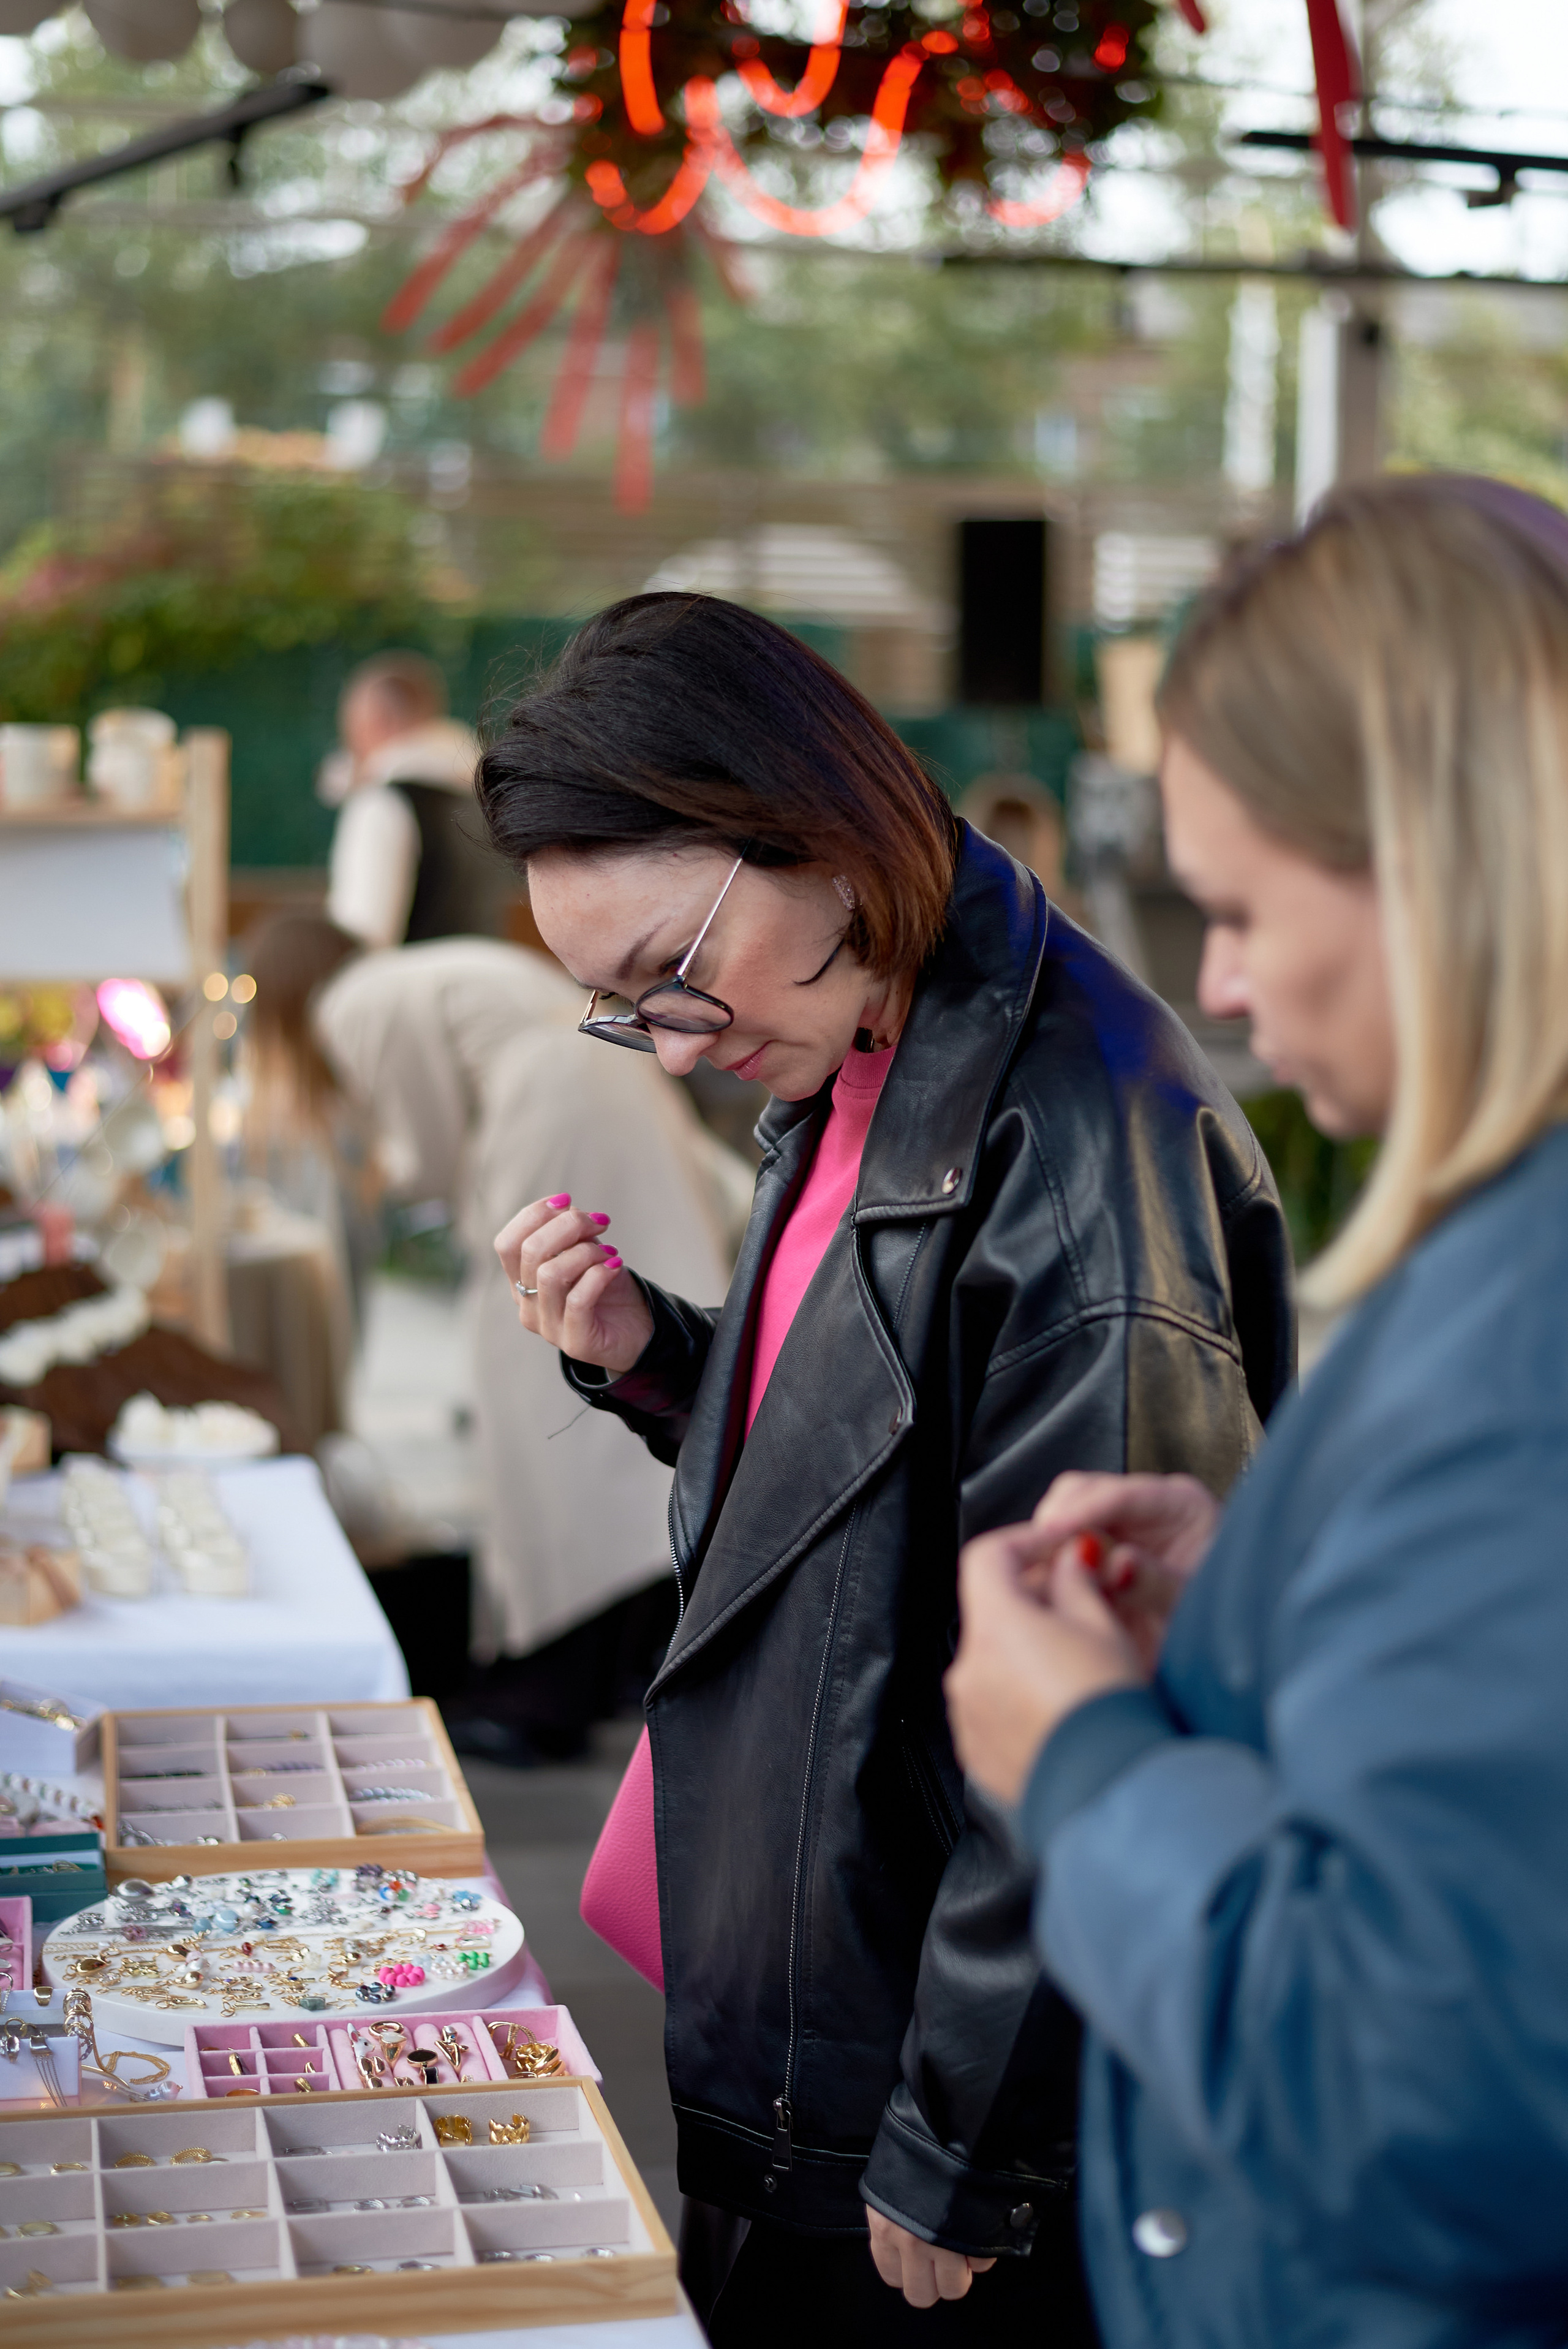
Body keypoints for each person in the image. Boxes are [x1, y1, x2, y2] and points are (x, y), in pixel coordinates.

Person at [477, 592, 1294, 2345]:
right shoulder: (871, 1029)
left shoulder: (1076, 1150)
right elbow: (873, 1466)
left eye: (670, 976)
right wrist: (652, 1352)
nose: (671, 1043)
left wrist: (960, 2139)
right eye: (619, 1009)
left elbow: (1100, 1688)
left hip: (918, 2076)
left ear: (823, 844)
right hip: (816, 2003)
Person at [946, 474, 1568, 2349]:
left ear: (1437, 864)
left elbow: (1414, 2092)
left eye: (1237, 909)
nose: (1214, 980)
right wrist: (1276, 1605)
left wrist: (1082, 1761)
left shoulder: (1520, 1343)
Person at [243, 914, 737, 1757]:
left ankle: (548, 1680)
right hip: (611, 1099)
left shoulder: (352, 1004)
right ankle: (607, 1652)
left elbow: (428, 1146)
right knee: (613, 1373)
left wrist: (402, 1179)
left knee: (536, 1395)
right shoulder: (420, 970)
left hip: (557, 1117)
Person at [325, 651, 508, 950]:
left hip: (405, 979)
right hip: (480, 973)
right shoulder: (480, 800)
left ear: (379, 722)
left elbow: (362, 934)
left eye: (353, 727)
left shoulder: (382, 804)